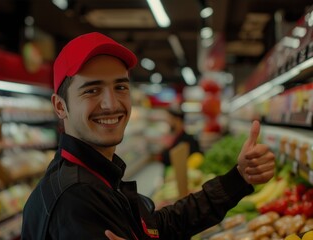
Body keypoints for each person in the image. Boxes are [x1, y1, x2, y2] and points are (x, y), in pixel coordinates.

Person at [21, 32, 275, 240]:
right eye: (92, 90)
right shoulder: (76, 199)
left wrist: (238, 179)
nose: (111, 104)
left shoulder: (96, 175)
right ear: (60, 106)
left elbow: (156, 227)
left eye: (120, 87)